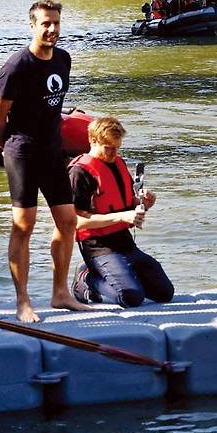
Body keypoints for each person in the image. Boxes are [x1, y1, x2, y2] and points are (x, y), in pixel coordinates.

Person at [0, 0, 90, 323]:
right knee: (24, 226)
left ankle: (60, 293)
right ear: (32, 26)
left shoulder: (63, 59)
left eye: (56, 23)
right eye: (45, 23)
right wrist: (11, 150)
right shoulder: (17, 66)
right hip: (22, 153)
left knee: (68, 221)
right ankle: (23, 302)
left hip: (52, 151)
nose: (52, 29)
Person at [69, 116, 174, 308]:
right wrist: (121, 217)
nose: (113, 153)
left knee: (164, 293)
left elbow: (126, 205)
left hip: (125, 244)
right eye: (108, 148)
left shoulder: (118, 163)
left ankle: (121, 275)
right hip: (98, 248)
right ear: (93, 141)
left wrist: (144, 203)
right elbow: (74, 221)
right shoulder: (79, 173)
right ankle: (85, 280)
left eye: (117, 147)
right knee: (130, 297)